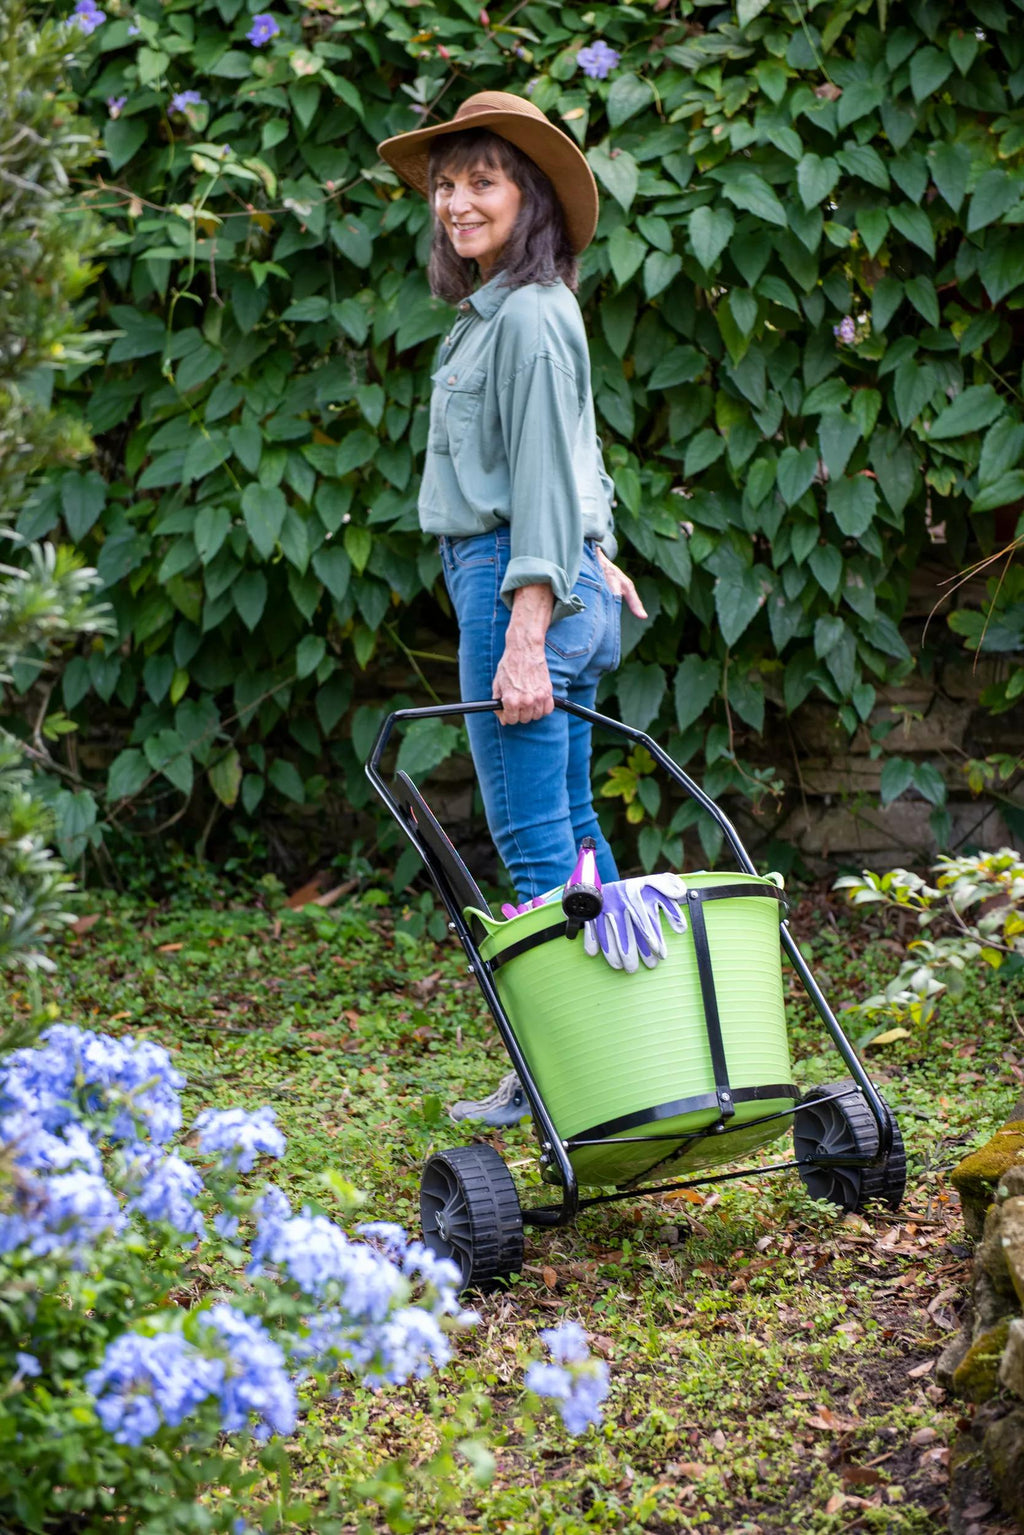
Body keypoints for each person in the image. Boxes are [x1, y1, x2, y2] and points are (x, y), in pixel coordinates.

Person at [378, 91, 646, 1124]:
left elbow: (541, 470)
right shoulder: (512, 312)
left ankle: (572, 1082)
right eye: (445, 183)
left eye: (482, 179)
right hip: (548, 570)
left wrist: (528, 628)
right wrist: (597, 550)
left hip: (512, 585)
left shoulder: (527, 317)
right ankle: (625, 1048)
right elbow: (578, 453)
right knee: (572, 835)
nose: (455, 201)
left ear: (528, 195)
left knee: (536, 850)